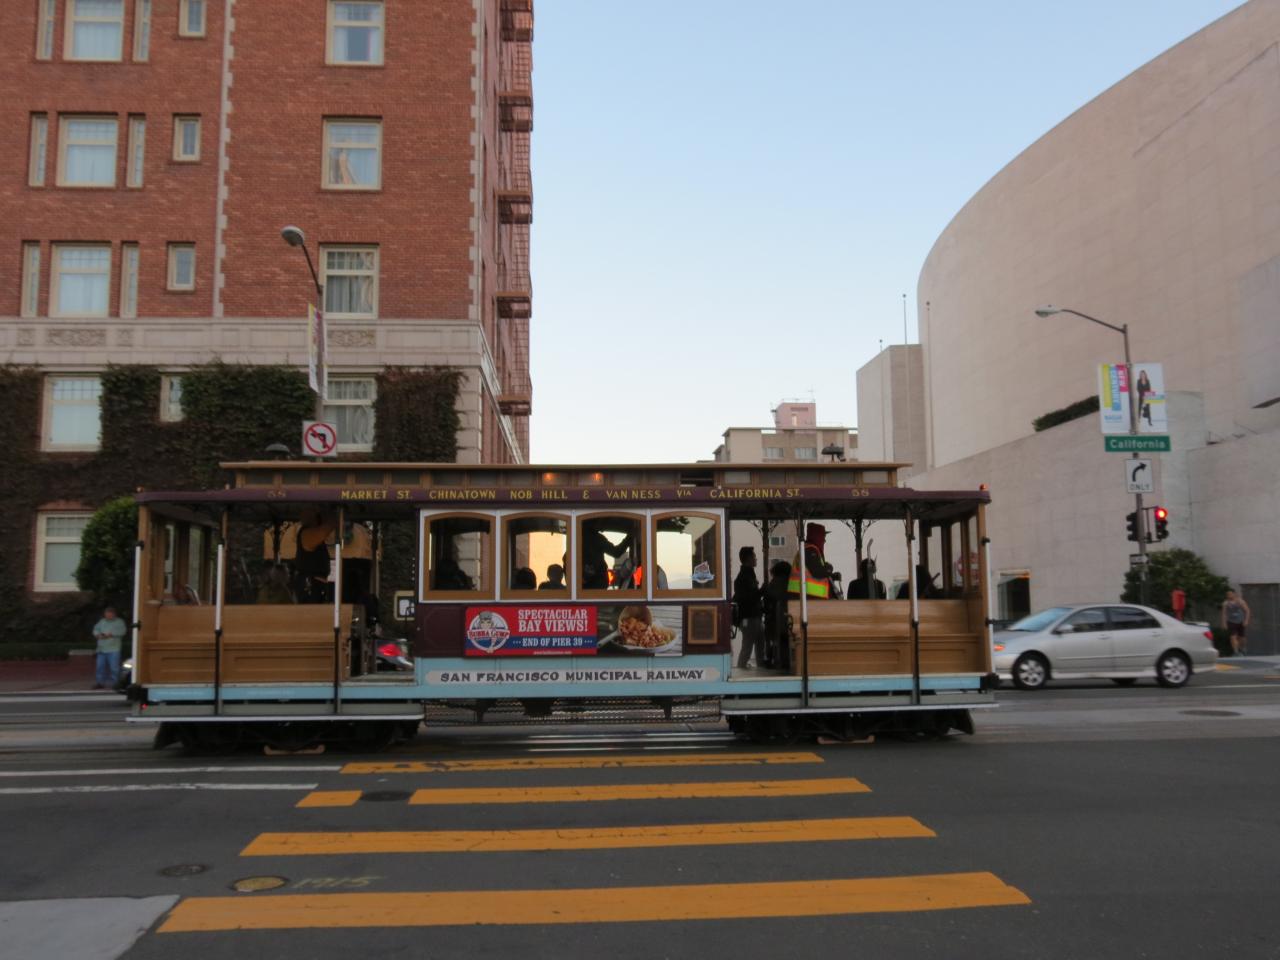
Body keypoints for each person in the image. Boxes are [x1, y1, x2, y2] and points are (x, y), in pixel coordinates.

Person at [732, 546, 764, 669]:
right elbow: (748, 599)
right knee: (748, 646)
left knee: (759, 644)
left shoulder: (748, 575)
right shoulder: (744, 578)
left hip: (753, 617)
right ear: (748, 559)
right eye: (754, 556)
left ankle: (760, 667)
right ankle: (741, 668)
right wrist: (761, 591)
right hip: (749, 618)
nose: (756, 558)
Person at [294, 509, 336, 603]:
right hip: (310, 586)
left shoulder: (310, 533)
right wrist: (332, 517)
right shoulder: (306, 533)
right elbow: (325, 530)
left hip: (316, 586)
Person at [787, 523, 831, 599]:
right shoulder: (809, 550)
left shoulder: (808, 549)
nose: (824, 540)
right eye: (823, 537)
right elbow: (818, 572)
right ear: (817, 537)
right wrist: (829, 568)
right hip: (807, 597)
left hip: (805, 596)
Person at [762, 560, 792, 671]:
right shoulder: (790, 582)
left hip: (774, 619)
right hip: (788, 618)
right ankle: (786, 663)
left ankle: (776, 662)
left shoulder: (773, 584)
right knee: (785, 642)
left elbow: (768, 600)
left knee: (776, 642)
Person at [92, 606, 126, 690]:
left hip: (113, 649)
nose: (108, 616)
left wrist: (111, 634)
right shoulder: (102, 621)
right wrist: (97, 634)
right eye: (106, 614)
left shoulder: (119, 622)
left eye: (110, 615)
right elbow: (95, 629)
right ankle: (100, 683)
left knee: (114, 668)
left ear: (114, 614)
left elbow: (122, 631)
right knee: (100, 667)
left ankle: (116, 683)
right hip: (101, 648)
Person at [1222, 589, 1251, 656]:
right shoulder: (1225, 603)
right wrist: (1224, 623)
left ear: (1234, 594)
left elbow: (1247, 611)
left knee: (1242, 637)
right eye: (1227, 594)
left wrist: (1246, 620)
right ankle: (1236, 651)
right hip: (1231, 622)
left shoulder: (1240, 601)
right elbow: (1224, 614)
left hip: (1241, 621)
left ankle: (1242, 648)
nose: (1228, 595)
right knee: (1232, 637)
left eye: (1230, 594)